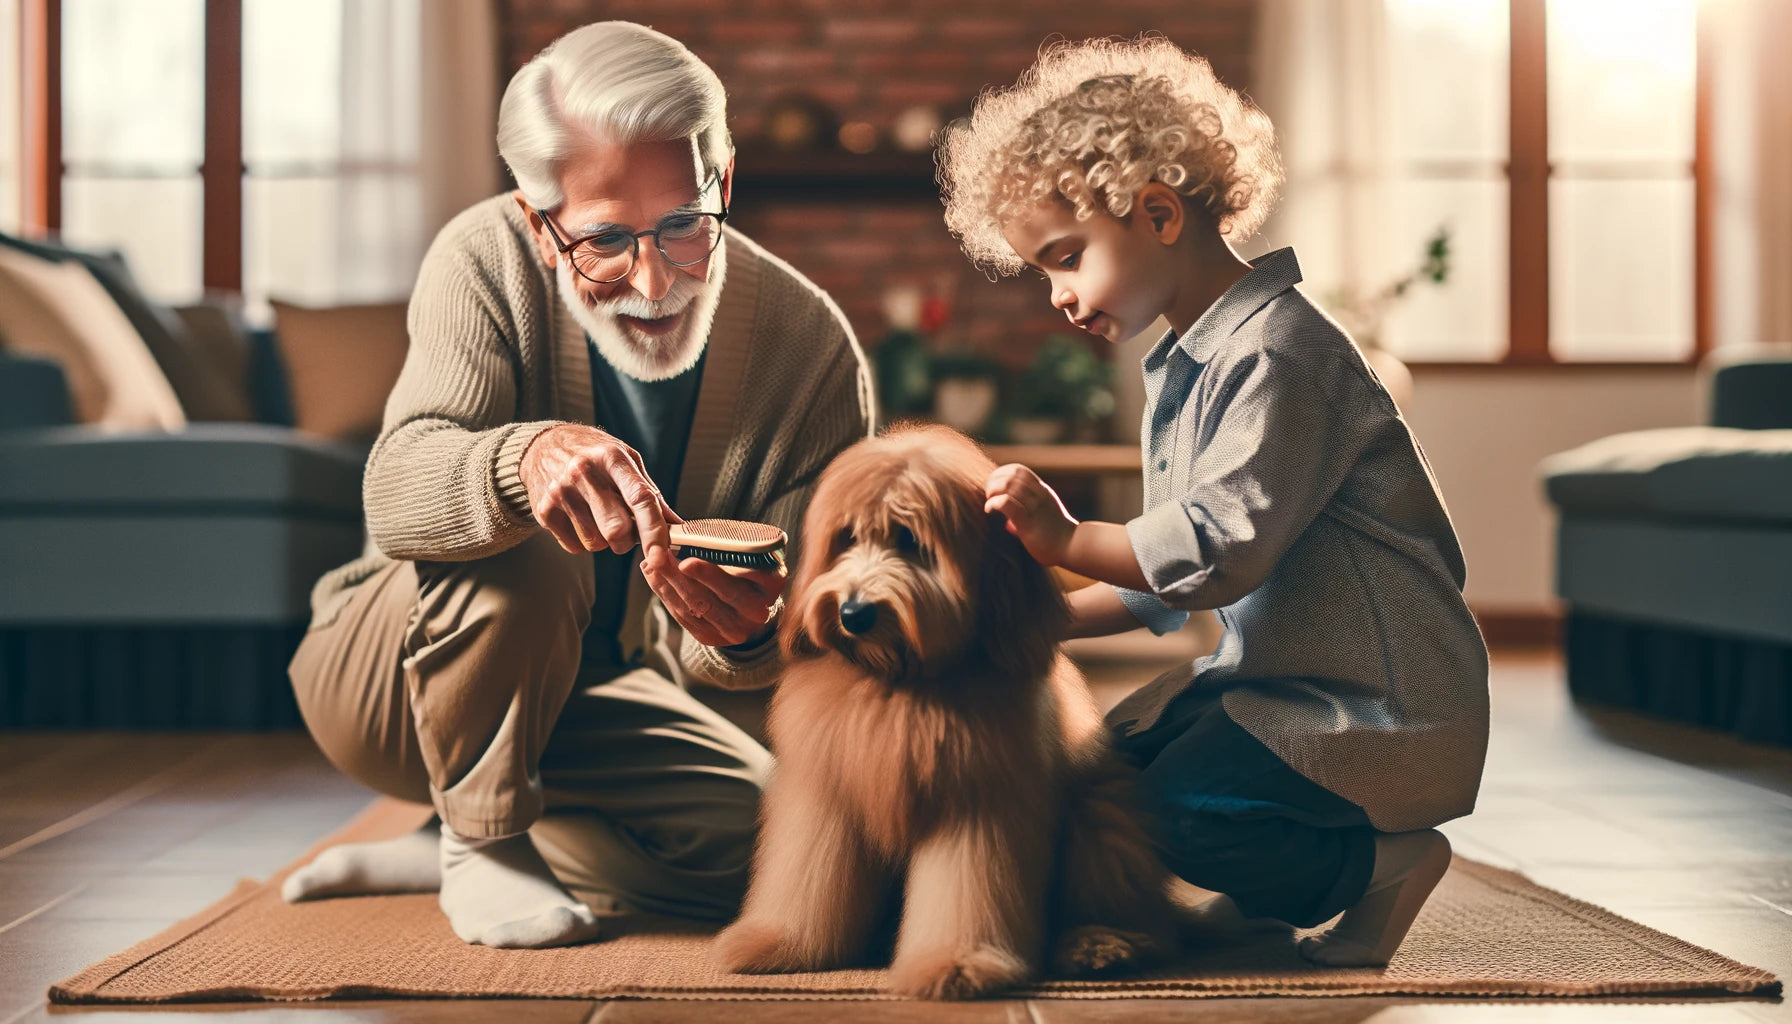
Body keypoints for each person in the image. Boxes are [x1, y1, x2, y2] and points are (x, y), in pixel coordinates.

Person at [281, 21, 874, 950]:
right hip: (386, 677)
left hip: (594, 692)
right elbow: (395, 489)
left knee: (772, 854)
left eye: (684, 224)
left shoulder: (808, 344)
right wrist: (520, 461)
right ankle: (485, 839)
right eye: (605, 239)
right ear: (537, 222)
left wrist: (750, 629)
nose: (655, 280)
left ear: (724, 182)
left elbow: (801, 625)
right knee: (529, 519)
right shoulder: (481, 259)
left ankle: (464, 827)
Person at [939, 36, 1490, 967]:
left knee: (1170, 815)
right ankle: (1270, 896)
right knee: (1103, 774)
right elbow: (1168, 582)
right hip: (1283, 681)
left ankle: (1383, 865)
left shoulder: (1278, 355)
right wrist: (1041, 626)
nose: (1059, 297)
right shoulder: (1189, 368)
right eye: (1043, 272)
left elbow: (1212, 554)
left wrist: (1067, 537)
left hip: (1377, 708)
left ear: (1157, 213)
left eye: (1066, 257)